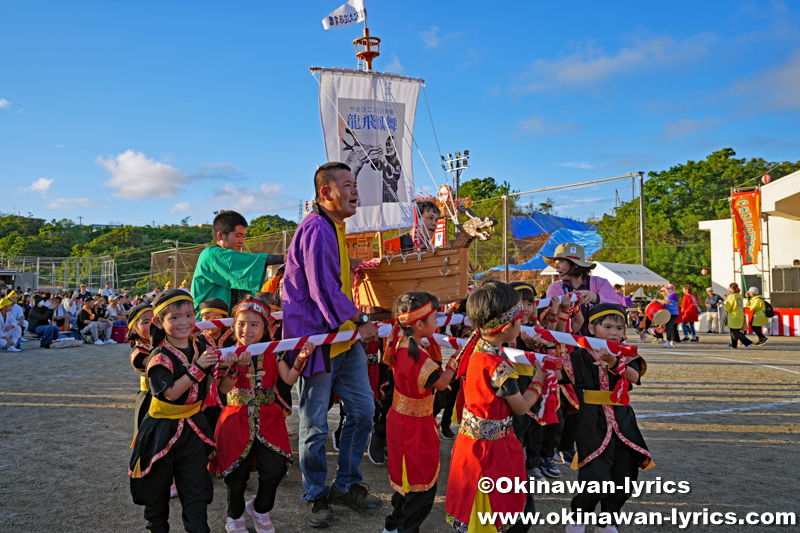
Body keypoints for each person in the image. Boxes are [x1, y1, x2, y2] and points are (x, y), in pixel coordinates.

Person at [281, 162, 381, 527]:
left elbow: (334, 284)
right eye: (348, 184)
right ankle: (316, 493)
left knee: (363, 411)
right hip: (319, 339)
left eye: (356, 184)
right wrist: (361, 319)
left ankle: (347, 483)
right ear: (326, 193)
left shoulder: (336, 226)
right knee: (315, 425)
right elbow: (323, 289)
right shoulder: (315, 227)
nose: (356, 191)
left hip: (342, 336)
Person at [444, 281, 546, 533]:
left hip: (470, 444)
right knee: (499, 506)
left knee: (476, 504)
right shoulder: (498, 366)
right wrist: (539, 383)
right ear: (507, 326)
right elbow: (521, 408)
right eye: (519, 320)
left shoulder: (473, 349)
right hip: (493, 450)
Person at [211, 299, 315, 533]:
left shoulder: (273, 351)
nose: (246, 330)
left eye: (254, 325)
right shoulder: (226, 353)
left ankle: (259, 509)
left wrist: (301, 358)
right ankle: (234, 516)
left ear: (266, 328)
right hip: (235, 419)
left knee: (276, 468)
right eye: (241, 324)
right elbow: (224, 389)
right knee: (237, 475)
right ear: (233, 326)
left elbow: (287, 379)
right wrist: (236, 366)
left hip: (269, 419)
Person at [129, 289, 219, 533]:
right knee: (157, 494)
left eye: (189, 315)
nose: (184, 322)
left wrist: (230, 369)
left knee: (196, 489)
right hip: (161, 430)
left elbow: (213, 387)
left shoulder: (201, 346)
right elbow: (170, 393)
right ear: (159, 322)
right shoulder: (159, 356)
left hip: (194, 427)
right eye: (175, 317)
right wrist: (199, 368)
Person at [564, 304, 653, 533]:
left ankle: (608, 520)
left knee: (625, 476)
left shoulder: (626, 352)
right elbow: (558, 373)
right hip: (591, 421)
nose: (614, 332)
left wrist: (614, 363)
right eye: (607, 326)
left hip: (623, 421)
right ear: (592, 328)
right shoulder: (580, 354)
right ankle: (578, 517)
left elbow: (633, 376)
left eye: (619, 327)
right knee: (594, 476)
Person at [382, 292, 456, 533]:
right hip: (414, 426)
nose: (438, 322)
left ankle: (393, 526)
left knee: (405, 483)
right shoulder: (419, 359)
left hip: (400, 420)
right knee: (420, 484)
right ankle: (405, 529)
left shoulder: (402, 344)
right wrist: (456, 362)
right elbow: (443, 383)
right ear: (419, 324)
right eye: (435, 317)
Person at [191, 210, 284, 312]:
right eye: (238, 236)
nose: (242, 241)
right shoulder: (210, 254)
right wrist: (285, 258)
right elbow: (237, 260)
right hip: (209, 323)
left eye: (244, 237)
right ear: (220, 235)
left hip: (231, 322)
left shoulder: (237, 259)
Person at [544, 242, 620, 336]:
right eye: (555, 262)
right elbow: (554, 323)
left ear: (576, 264)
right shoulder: (554, 288)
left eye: (561, 261)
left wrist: (595, 298)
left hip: (599, 346)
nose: (556, 266)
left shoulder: (600, 283)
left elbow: (618, 307)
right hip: (568, 345)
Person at [126, 303, 154, 434]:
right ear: (134, 329)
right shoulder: (138, 353)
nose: (153, 324)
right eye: (146, 322)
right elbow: (162, 363)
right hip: (150, 400)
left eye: (156, 319)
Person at [724, 283, 752, 349]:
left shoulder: (732, 296)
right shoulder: (739, 296)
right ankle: (734, 344)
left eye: (729, 288)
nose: (729, 289)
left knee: (735, 331)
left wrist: (723, 304)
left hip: (733, 316)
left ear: (732, 288)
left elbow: (728, 307)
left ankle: (747, 342)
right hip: (739, 315)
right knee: (733, 331)